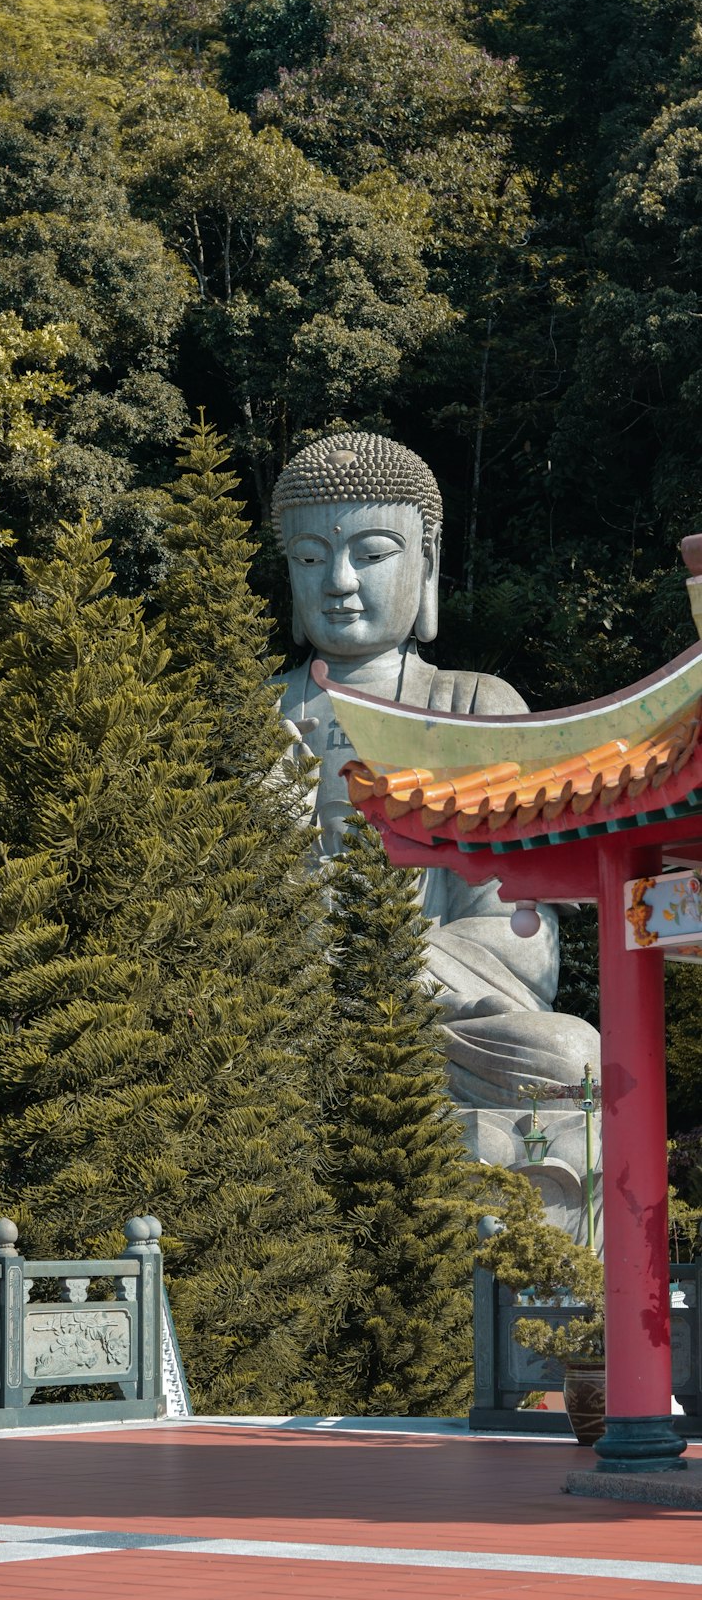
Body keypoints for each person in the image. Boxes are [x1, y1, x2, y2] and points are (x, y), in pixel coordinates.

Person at [273, 430, 601, 1110]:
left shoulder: (475, 705)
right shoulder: (256, 715)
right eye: (311, 557)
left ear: (426, 566)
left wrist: (379, 958)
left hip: (442, 1022)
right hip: (285, 1016)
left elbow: (522, 939)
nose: (338, 581)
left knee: (572, 1057)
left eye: (371, 554)